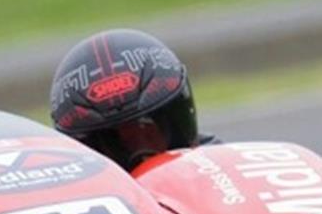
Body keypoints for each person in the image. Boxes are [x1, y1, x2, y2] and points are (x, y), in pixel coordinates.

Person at [48, 28, 215, 171]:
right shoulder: (75, 200)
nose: (143, 161)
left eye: (148, 132)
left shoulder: (222, 167)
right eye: (118, 144)